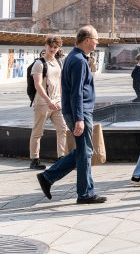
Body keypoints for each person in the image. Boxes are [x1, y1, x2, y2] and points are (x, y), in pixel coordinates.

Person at [36, 26, 106, 203]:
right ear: (88, 40)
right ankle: (84, 194)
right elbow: (77, 93)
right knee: (85, 153)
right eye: (96, 39)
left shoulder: (75, 58)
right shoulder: (79, 61)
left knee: (83, 151)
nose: (97, 43)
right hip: (80, 112)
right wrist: (79, 119)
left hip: (76, 111)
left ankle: (48, 177)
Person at [28, 36, 70, 170]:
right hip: (43, 103)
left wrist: (61, 99)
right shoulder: (39, 63)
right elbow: (38, 85)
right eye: (50, 46)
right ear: (45, 46)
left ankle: (61, 158)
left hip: (57, 102)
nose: (52, 49)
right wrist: (48, 101)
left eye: (55, 47)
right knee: (37, 132)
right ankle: (34, 160)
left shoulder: (58, 62)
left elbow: (60, 82)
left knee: (63, 128)